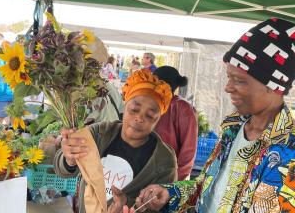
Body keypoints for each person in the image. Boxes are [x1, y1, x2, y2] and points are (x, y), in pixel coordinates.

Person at [123, 18, 295, 213]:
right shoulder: (234, 128)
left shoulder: (288, 150)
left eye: (238, 80)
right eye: (229, 77)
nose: (228, 87)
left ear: (273, 86)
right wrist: (169, 195)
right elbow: (206, 187)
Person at [54, 69, 178, 213]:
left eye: (150, 116)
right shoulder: (100, 133)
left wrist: (129, 204)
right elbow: (62, 170)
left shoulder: (164, 161)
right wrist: (69, 159)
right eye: (134, 109)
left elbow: (161, 205)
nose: (139, 118)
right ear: (124, 106)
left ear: (158, 120)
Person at [154, 66, 198, 180]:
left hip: (169, 176)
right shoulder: (151, 102)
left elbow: (188, 149)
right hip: (148, 172)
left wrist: (175, 179)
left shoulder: (181, 107)